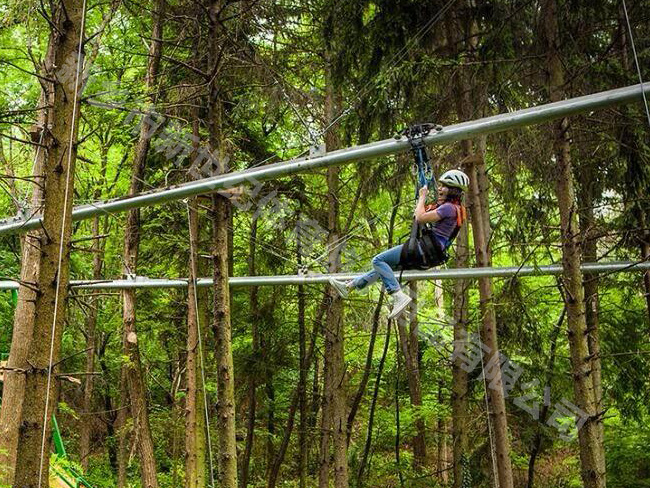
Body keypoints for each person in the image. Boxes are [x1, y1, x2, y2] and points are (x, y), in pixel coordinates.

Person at [329, 169, 469, 319]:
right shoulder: (456, 209)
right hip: (430, 255)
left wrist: (422, 197)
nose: (440, 189)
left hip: (422, 250)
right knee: (384, 269)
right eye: (440, 186)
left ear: (453, 191)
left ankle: (397, 295)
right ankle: (350, 286)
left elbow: (420, 217)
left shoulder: (448, 208)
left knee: (378, 260)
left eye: (444, 186)